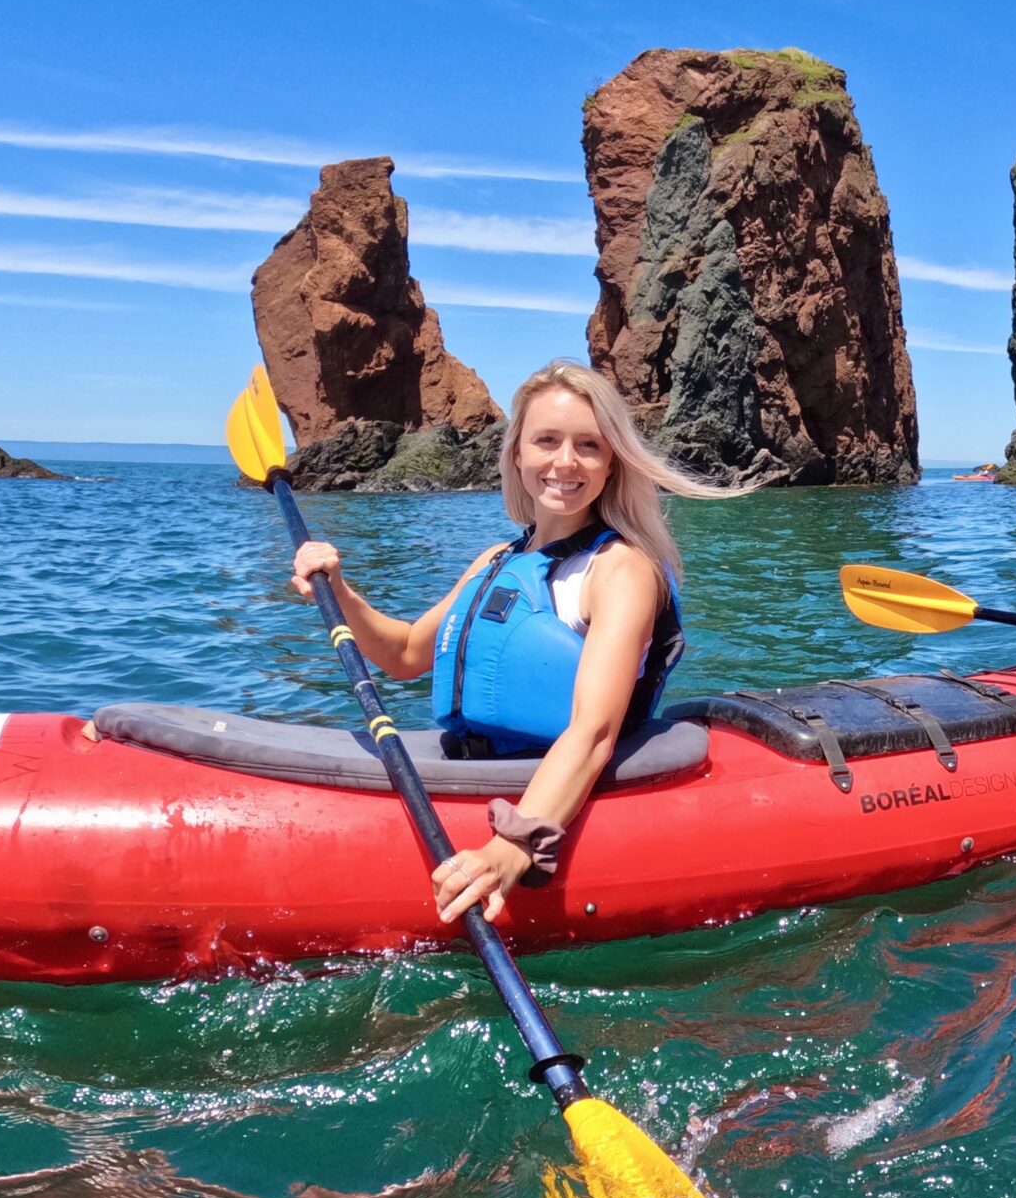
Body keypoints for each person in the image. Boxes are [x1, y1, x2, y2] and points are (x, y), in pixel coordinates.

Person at [288, 360, 742, 926]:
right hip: (476, 767)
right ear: (517, 455)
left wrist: (511, 846)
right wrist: (339, 591)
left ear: (611, 464)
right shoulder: (496, 560)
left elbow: (594, 732)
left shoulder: (620, 569)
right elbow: (404, 654)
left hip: (547, 787)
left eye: (588, 445)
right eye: (546, 440)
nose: (565, 462)